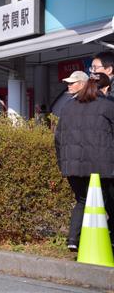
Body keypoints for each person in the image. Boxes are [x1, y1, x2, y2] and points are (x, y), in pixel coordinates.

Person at [55, 73, 114, 252]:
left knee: (82, 200)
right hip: (103, 166)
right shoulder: (108, 106)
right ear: (104, 88)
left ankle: (73, 239)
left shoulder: (67, 107)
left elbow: (58, 138)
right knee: (108, 202)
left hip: (72, 166)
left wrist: (62, 163)